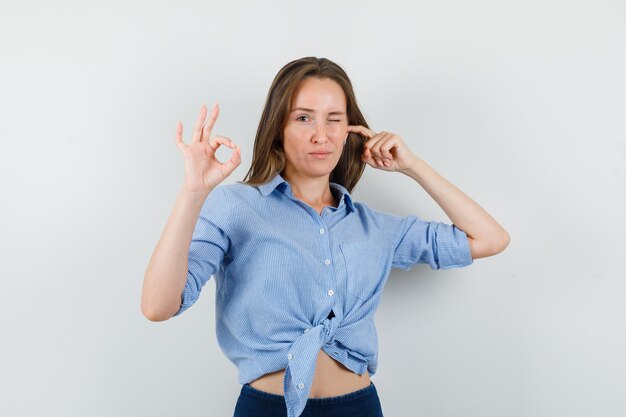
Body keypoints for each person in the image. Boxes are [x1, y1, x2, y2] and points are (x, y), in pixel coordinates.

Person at [141, 56, 510, 417]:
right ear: (278, 128)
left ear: (351, 130)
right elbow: (158, 306)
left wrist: (413, 166)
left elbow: (490, 239)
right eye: (303, 118)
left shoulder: (374, 227)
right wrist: (193, 192)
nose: (321, 135)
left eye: (335, 119)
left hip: (359, 407)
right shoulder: (235, 206)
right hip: (267, 409)